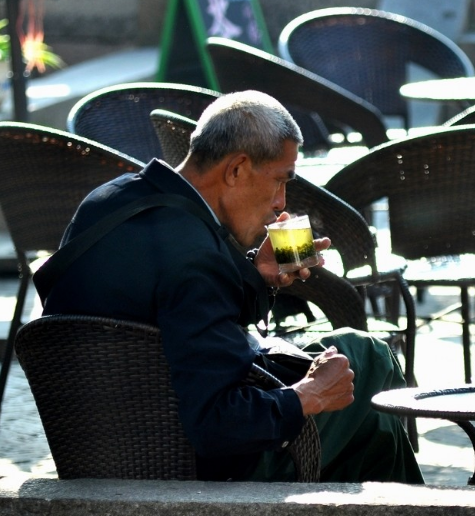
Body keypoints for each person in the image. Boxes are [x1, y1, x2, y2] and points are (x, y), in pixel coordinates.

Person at [37, 90, 423, 484]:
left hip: (110, 441)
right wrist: (307, 396)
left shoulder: (109, 200)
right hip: (194, 464)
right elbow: (217, 424)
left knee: (369, 405)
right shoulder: (197, 258)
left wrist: (257, 278)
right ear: (236, 169)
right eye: (279, 181)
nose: (280, 201)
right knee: (369, 360)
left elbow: (182, 317)